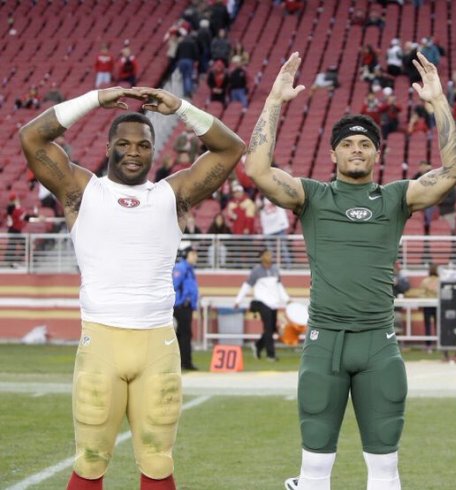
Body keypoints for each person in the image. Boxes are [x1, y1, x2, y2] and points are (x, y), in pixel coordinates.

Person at [242, 51, 456, 490]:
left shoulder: (396, 197)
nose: (357, 149)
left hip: (378, 343)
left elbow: (455, 169)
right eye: (348, 143)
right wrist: (273, 99)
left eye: (365, 144)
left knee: (385, 473)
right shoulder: (312, 196)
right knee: (314, 473)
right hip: (324, 342)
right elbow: (256, 168)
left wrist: (439, 102)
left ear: (377, 155)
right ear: (333, 154)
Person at [18, 85, 244, 489]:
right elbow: (31, 137)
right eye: (123, 143)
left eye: (143, 144)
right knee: (89, 461)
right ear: (108, 148)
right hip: (101, 341)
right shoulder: (81, 191)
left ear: (154, 150)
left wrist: (181, 108)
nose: (134, 150)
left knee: (158, 461)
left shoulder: (172, 195)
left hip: (157, 343)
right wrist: (95, 98)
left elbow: (230, 149)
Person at [234, 249, 290, 361]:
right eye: (267, 254)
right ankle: (271, 355)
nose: (270, 256)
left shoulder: (275, 270)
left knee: (272, 329)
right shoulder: (256, 271)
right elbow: (247, 286)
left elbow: (279, 286)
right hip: (262, 302)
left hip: (274, 303)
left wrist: (287, 299)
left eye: (270, 254)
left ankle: (257, 345)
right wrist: (238, 300)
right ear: (262, 257)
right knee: (268, 328)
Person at [172, 242, 200, 371]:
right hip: (180, 307)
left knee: (185, 334)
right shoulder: (181, 268)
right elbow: (174, 285)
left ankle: (185, 362)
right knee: (183, 335)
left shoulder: (189, 269)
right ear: (186, 254)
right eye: (193, 254)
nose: (196, 257)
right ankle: (184, 362)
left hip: (186, 306)